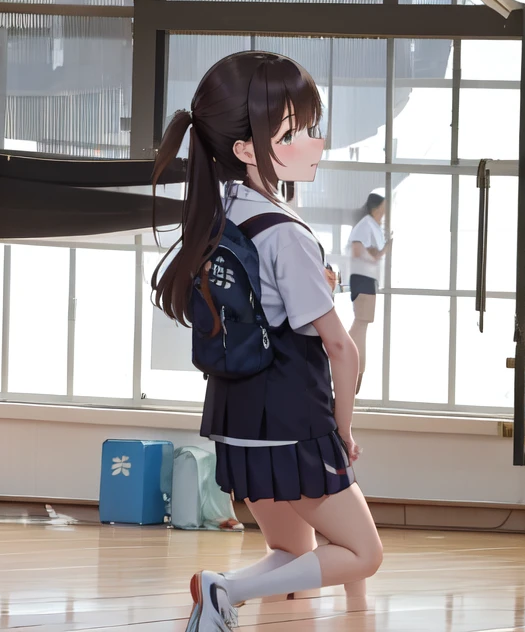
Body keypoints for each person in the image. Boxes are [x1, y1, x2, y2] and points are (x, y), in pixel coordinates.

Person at [150, 51, 383, 631]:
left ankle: (221, 594)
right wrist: (343, 431)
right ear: (247, 149)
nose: (315, 143)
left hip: (236, 420)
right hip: (291, 421)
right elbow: (340, 348)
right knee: (364, 552)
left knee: (296, 551)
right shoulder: (285, 232)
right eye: (295, 132)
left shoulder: (221, 212)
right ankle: (226, 588)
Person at [347, 193, 391, 394]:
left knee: (362, 328)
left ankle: (354, 375)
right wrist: (374, 257)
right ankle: (351, 373)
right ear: (376, 208)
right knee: (360, 327)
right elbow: (357, 250)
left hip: (368, 280)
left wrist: (381, 252)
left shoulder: (372, 225)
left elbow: (371, 252)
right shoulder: (366, 224)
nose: (385, 212)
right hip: (363, 280)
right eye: (383, 207)